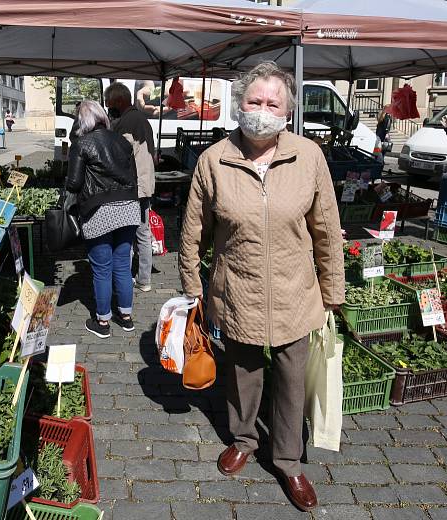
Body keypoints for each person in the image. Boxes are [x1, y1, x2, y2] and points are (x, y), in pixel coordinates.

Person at [178, 61, 344, 512]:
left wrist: (333, 293)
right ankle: (244, 439)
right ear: (239, 106)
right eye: (255, 101)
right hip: (237, 291)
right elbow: (193, 228)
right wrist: (192, 282)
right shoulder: (214, 159)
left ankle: (288, 459)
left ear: (287, 111)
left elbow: (327, 229)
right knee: (241, 375)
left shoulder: (309, 156)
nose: (263, 110)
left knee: (291, 382)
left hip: (295, 292)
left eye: (273, 103)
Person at [66, 100, 140, 339]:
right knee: (122, 265)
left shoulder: (81, 144)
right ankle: (126, 318)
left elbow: (74, 184)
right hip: (129, 207)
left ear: (82, 121)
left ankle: (103, 321)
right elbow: (133, 176)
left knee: (101, 269)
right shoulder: (122, 141)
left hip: (99, 210)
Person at [105, 82, 156, 292]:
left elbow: (122, 157)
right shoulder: (141, 119)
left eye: (109, 102)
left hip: (134, 187)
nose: (107, 106)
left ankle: (128, 278)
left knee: (128, 233)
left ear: (119, 101)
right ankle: (144, 278)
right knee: (143, 233)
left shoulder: (127, 122)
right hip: (144, 184)